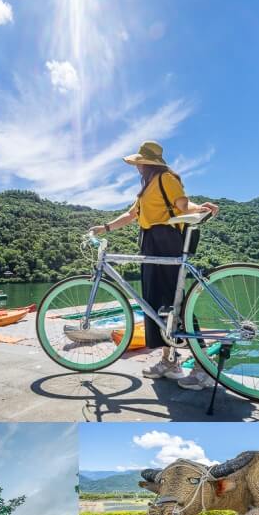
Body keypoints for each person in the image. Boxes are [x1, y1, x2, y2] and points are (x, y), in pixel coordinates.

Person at [92, 141, 220, 391]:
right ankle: (169, 361)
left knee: (176, 304)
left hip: (167, 242)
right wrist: (104, 227)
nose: (136, 166)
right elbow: (131, 216)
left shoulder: (166, 178)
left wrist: (201, 207)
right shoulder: (145, 187)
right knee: (156, 306)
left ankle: (204, 367)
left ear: (147, 163)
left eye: (139, 162)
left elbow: (184, 204)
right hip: (149, 244)